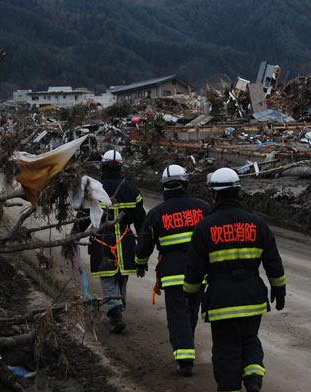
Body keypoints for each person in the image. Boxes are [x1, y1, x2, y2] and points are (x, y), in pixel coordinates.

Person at [183, 167, 286, 392]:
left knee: (226, 348)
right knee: (250, 340)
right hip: (253, 296)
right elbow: (273, 260)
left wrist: (191, 294)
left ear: (214, 195)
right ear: (238, 191)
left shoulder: (204, 226)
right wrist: (279, 289)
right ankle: (252, 377)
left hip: (221, 299)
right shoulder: (257, 223)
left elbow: (195, 269)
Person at [134, 164, 210, 377]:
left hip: (173, 275)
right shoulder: (202, 207)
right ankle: (187, 348)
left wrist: (140, 263)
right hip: (199, 273)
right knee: (191, 312)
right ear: (184, 183)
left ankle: (184, 359)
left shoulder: (157, 213)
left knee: (178, 316)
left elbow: (144, 244)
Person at [76, 150, 146, 334]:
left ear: (103, 167)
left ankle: (115, 312)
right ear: (121, 168)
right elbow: (141, 221)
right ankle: (118, 308)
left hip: (102, 241)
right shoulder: (132, 190)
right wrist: (144, 246)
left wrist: (73, 235)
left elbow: (83, 217)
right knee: (122, 277)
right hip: (126, 242)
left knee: (108, 279)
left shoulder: (95, 189)